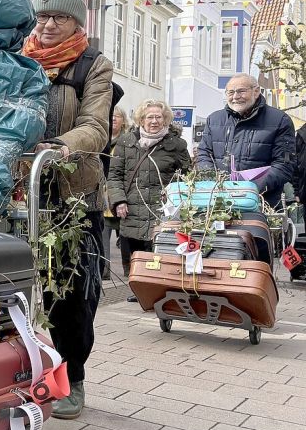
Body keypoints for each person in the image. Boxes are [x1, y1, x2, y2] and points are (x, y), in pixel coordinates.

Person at [21, 0, 112, 420]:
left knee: (70, 297)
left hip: (74, 198)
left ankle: (72, 378)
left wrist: (58, 148)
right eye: (42, 16)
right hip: (23, 194)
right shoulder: (20, 57)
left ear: (77, 22)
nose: (48, 25)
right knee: (15, 289)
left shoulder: (92, 64)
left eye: (59, 17)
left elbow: (96, 126)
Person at [107, 100, 191, 301]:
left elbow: (188, 177)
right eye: (149, 117)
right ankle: (139, 288)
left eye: (158, 117)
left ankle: (160, 291)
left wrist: (177, 200)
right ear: (141, 119)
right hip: (132, 207)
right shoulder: (126, 141)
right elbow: (115, 175)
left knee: (160, 249)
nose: (154, 121)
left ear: (166, 119)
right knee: (135, 251)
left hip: (162, 208)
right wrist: (119, 201)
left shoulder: (177, 145)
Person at [196, 73, 295, 209]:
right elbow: (203, 154)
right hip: (219, 202)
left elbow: (284, 165)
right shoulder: (214, 120)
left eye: (241, 91)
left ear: (256, 91)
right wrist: (213, 181)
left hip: (263, 204)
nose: (235, 97)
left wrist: (252, 188)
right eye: (230, 92)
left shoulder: (279, 120)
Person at [101, 106, 128, 280]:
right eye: (109, 116)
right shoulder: (101, 140)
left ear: (123, 120)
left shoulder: (127, 141)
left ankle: (130, 273)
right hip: (103, 196)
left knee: (126, 238)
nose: (112, 119)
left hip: (122, 196)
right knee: (103, 235)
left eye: (116, 116)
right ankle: (103, 271)